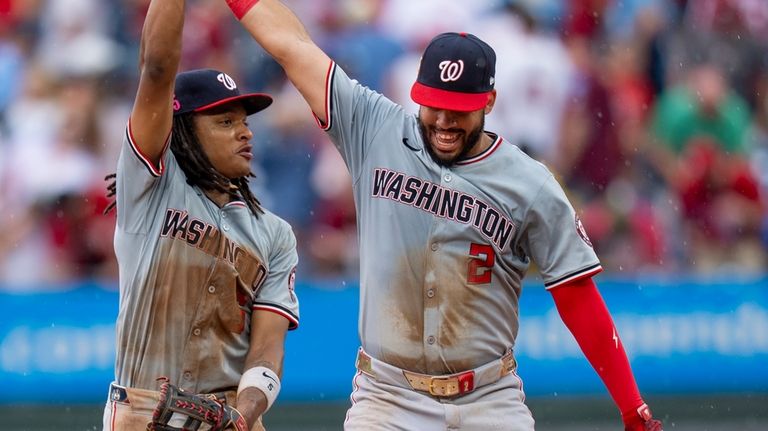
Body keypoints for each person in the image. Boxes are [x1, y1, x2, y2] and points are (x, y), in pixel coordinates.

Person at [224, 1, 662, 430]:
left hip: (489, 399)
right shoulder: (374, 128)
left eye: (460, 108)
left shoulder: (530, 183)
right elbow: (292, 45)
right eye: (434, 105)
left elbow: (577, 294)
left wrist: (630, 405)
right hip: (388, 397)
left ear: (489, 101)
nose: (444, 120)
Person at [102, 0, 299, 430]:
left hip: (231, 413)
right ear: (185, 131)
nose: (245, 131)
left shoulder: (275, 235)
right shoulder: (149, 188)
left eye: (244, 121)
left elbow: (266, 350)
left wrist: (243, 414)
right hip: (143, 410)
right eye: (225, 122)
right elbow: (156, 68)